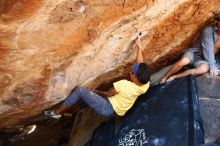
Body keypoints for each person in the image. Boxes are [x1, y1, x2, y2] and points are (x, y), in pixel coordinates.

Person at [44, 34, 150, 119]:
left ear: (136, 77)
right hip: (120, 109)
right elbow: (140, 63)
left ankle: (56, 113)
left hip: (107, 108)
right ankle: (72, 112)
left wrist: (97, 92)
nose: (131, 70)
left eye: (132, 71)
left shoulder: (124, 85)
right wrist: (139, 47)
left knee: (80, 91)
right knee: (89, 97)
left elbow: (108, 94)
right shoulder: (145, 84)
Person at [160, 15, 220, 83]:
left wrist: (215, 66)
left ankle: (174, 77)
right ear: (217, 21)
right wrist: (212, 66)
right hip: (195, 53)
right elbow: (208, 49)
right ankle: (165, 77)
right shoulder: (208, 30)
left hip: (205, 60)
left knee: (203, 69)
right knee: (184, 61)